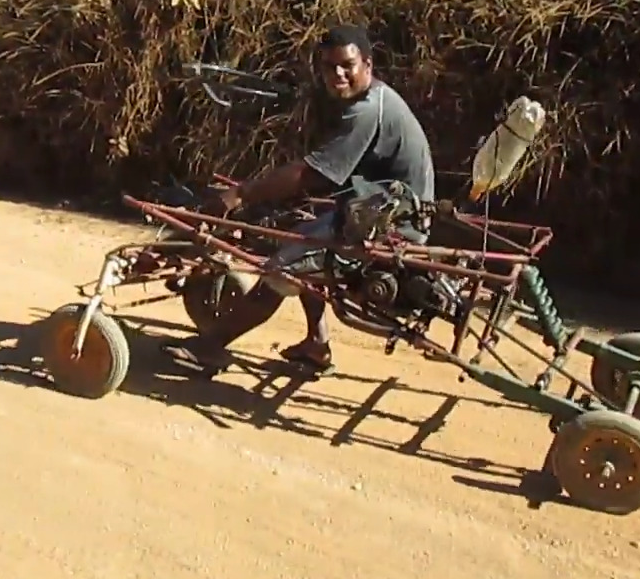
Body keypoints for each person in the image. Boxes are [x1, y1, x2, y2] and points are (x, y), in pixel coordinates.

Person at [163, 24, 436, 378]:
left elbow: (315, 173)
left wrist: (240, 193)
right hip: (380, 208)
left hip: (393, 222)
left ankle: (210, 346)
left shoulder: (367, 111)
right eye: (328, 66)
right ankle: (317, 345)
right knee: (304, 233)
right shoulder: (374, 99)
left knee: (281, 266)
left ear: (367, 65)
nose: (337, 73)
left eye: (347, 65)